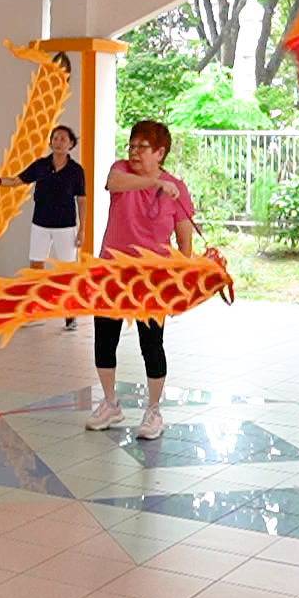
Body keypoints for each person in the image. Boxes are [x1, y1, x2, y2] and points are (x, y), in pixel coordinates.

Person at [85, 120, 195, 441]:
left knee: (151, 344)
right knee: (105, 340)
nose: (134, 152)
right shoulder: (121, 171)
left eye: (142, 147)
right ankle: (110, 403)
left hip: (152, 279)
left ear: (160, 153)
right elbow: (114, 182)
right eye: (131, 145)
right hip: (112, 273)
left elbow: (185, 242)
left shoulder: (177, 188)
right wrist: (153, 185)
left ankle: (153, 410)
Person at [0, 124, 87, 330]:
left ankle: (70, 313)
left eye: (63, 139)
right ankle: (37, 309)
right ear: (50, 142)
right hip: (41, 223)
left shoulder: (76, 171)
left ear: (71, 144)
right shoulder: (40, 165)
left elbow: (81, 200)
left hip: (66, 226)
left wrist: (82, 229)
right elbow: (15, 181)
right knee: (36, 266)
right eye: (55, 138)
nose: (58, 142)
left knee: (68, 269)